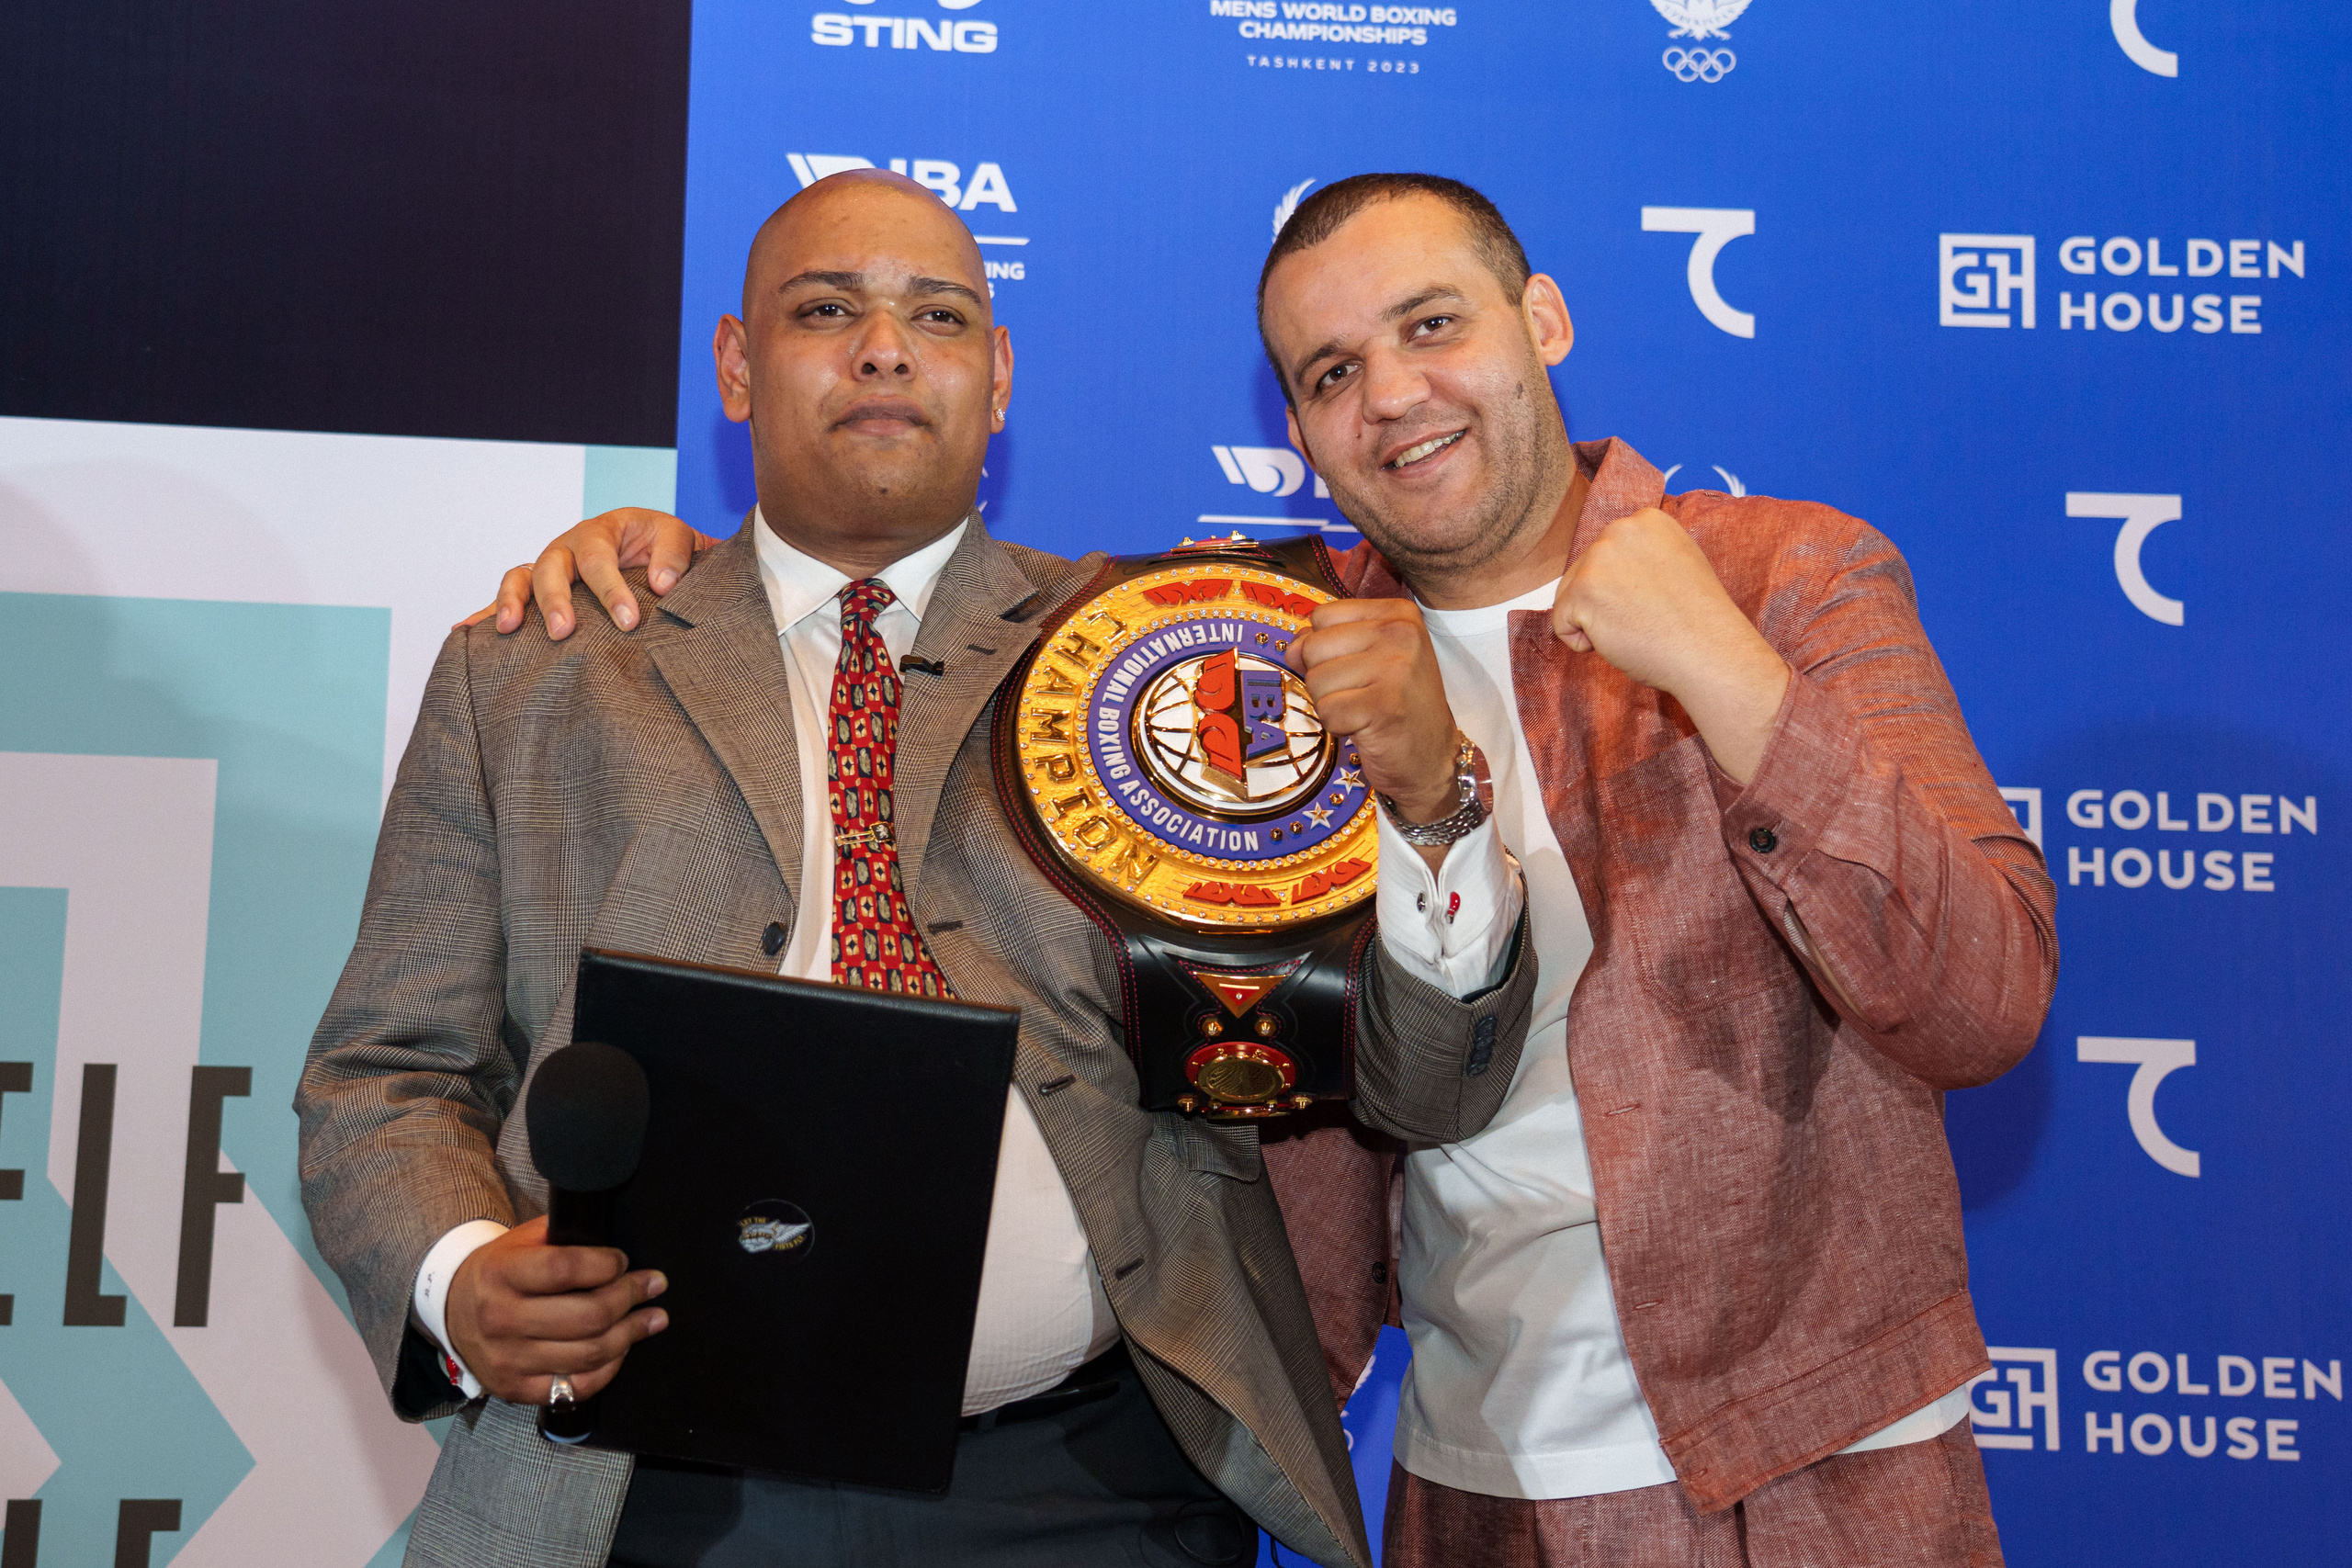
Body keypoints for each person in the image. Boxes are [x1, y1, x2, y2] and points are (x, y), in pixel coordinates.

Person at [510, 172, 2057, 1566]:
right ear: (1297, 434)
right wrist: (683, 563)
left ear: (1545, 321)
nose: (1394, 396)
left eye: (1433, 325)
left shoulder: (1790, 574)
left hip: (1808, 1474)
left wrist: (1728, 674)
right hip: (1471, 1479)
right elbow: (890, 591)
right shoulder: (1233, 652)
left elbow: (1981, 1000)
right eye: (1332, 374)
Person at [297, 170, 1537, 1568]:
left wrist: (1436, 814)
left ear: (997, 378)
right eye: (827, 309)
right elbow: (381, 1075)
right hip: (638, 1492)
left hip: (1085, 1495)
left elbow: (1428, 1084)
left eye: (937, 316)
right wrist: (456, 1276)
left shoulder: (1176, 659)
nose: (885, 347)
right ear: (735, 363)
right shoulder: (537, 672)